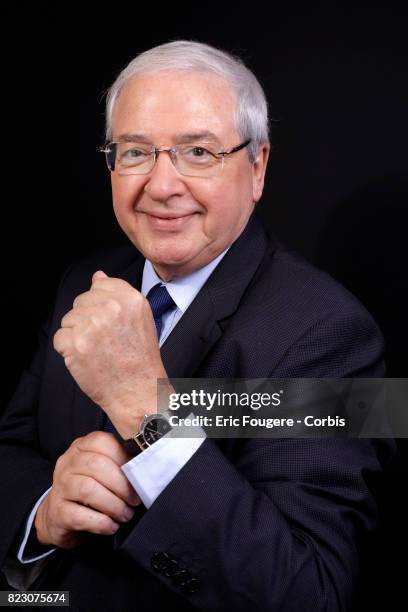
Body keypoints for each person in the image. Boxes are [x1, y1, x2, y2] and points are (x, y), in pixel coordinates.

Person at [0, 40, 393, 611]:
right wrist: (44, 513)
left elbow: (310, 591)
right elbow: (12, 450)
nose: (161, 186)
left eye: (199, 153)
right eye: (136, 152)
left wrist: (147, 410)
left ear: (256, 167)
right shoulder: (82, 283)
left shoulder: (337, 334)